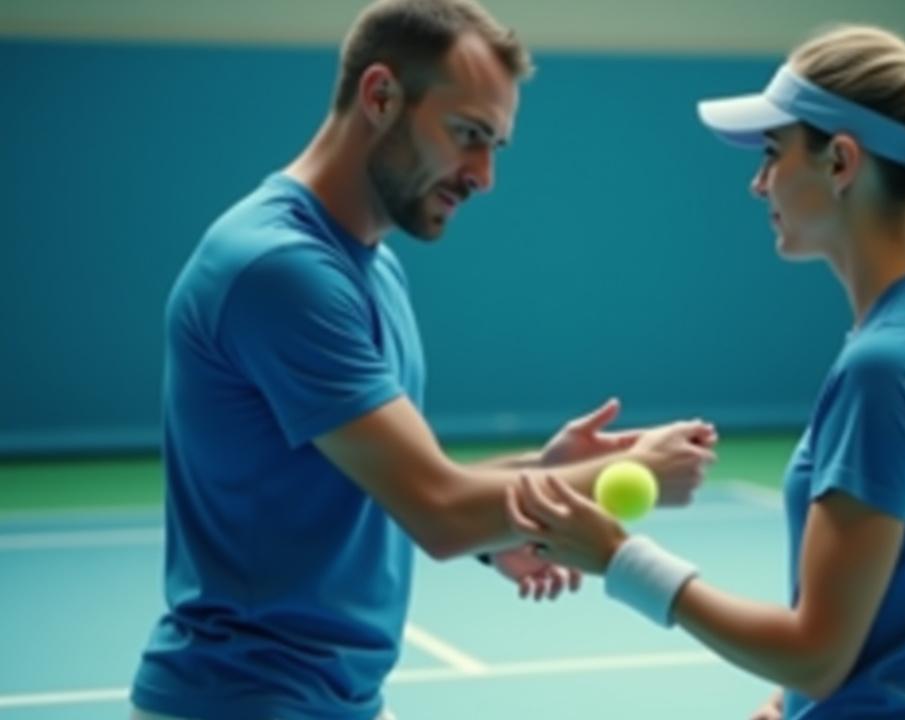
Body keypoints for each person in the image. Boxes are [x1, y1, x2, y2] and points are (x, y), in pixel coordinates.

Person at [130, 1, 716, 718]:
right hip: (244, 700)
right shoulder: (280, 270)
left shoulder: (371, 267)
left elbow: (394, 483)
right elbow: (439, 512)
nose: (484, 175)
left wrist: (546, 472)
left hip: (334, 700)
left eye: (496, 144)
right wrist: (637, 472)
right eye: (469, 135)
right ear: (379, 96)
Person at [507, 24, 905, 720]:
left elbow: (817, 652)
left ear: (841, 162)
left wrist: (620, 557)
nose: (757, 184)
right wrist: (789, 701)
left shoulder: (888, 368)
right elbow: (887, 614)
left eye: (773, 155)